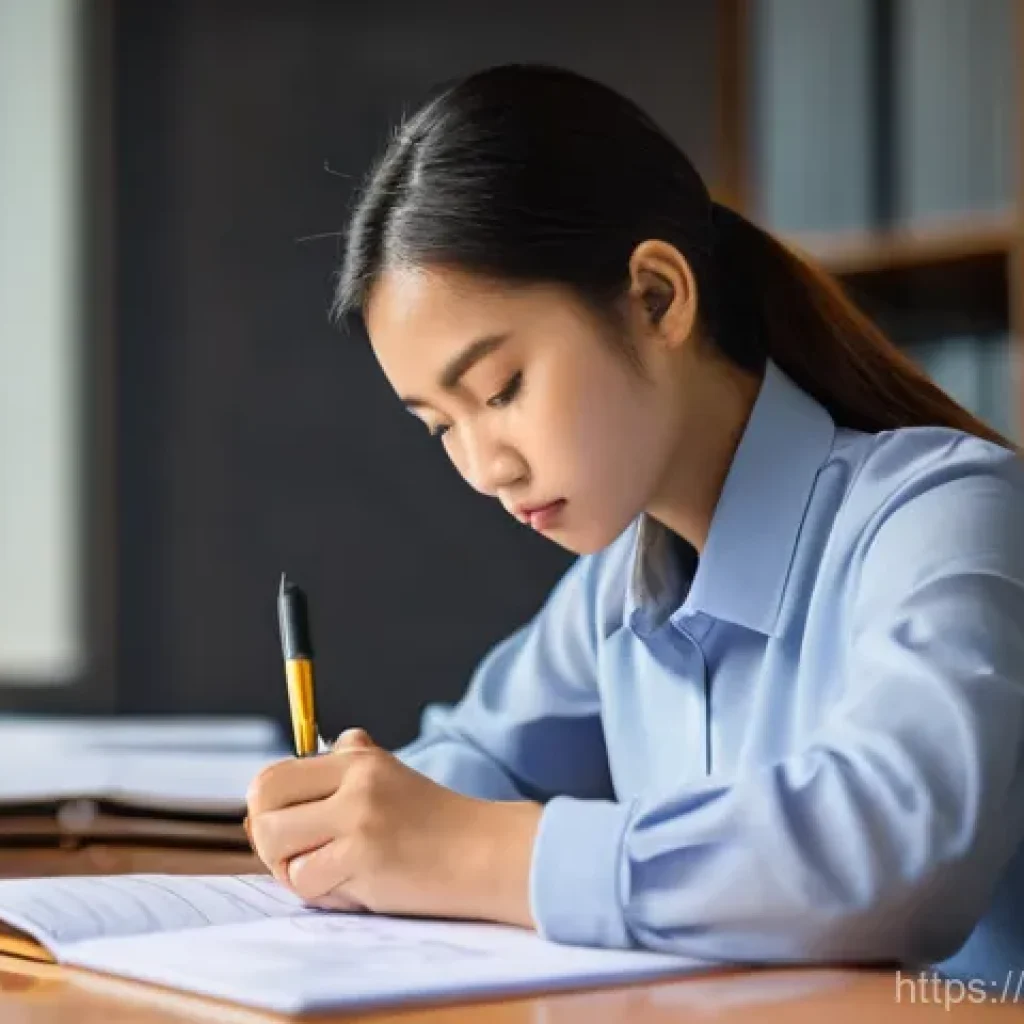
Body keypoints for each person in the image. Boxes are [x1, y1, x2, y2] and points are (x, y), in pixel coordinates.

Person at [246, 64, 1024, 983]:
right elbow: (476, 757)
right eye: (441, 428)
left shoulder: (948, 513)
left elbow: (896, 852)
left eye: (502, 389)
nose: (488, 468)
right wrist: (348, 816)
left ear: (657, 296)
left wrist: (479, 853)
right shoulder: (622, 581)